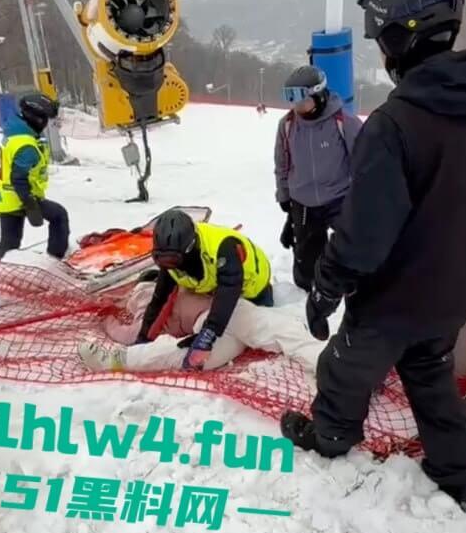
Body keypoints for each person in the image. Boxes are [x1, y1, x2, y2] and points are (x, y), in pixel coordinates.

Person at [279, 0, 466, 515]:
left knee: (343, 367)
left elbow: (364, 234)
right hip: (461, 283)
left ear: (400, 40)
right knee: (428, 370)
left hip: (398, 294)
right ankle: (458, 475)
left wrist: (326, 287)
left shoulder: (396, 122)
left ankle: (332, 438)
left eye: (382, 39)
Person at [80, 209, 277, 372]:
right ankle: (125, 359)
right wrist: (143, 338)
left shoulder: (222, 249)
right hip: (210, 305)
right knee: (195, 354)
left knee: (205, 355)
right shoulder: (173, 268)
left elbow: (228, 292)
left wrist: (208, 334)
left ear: (189, 248)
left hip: (249, 299)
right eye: (162, 262)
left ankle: (124, 360)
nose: (170, 267)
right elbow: (159, 299)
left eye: (173, 260)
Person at [77, 275, 325, 373]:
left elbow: (131, 334)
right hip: (225, 322)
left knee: (173, 354)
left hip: (218, 318)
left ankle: (113, 360)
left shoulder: (149, 306)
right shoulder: (181, 286)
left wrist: (108, 321)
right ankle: (333, 368)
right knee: (282, 331)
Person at [274, 64, 361, 291]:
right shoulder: (288, 125)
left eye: (302, 99)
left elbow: (364, 160)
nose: (297, 106)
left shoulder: (343, 122)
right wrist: (284, 196)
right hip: (303, 201)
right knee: (305, 258)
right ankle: (307, 290)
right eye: (291, 99)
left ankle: (353, 285)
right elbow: (282, 164)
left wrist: (364, 196)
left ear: (319, 95)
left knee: (353, 245)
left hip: (339, 197)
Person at [0, 93, 69, 261]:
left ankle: (0, 270)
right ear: (37, 119)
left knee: (10, 241)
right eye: (45, 119)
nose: (46, 124)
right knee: (59, 216)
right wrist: (30, 204)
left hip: (5, 197)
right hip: (19, 197)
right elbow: (18, 178)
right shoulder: (26, 146)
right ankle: (56, 260)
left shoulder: (15, 132)